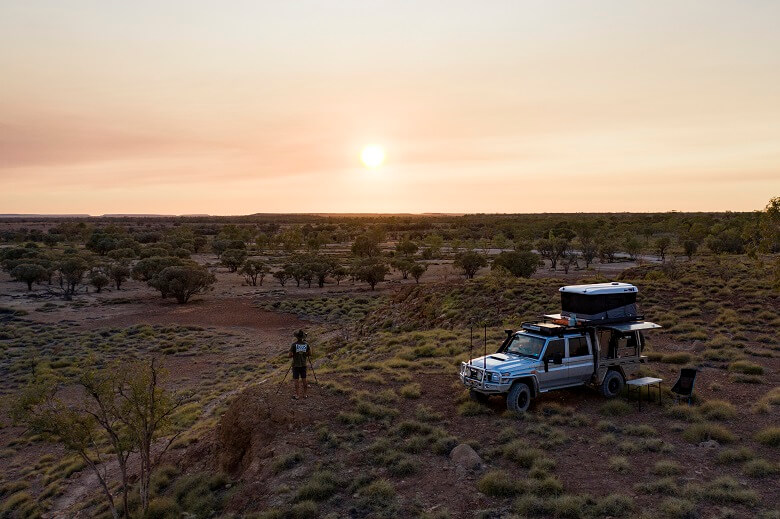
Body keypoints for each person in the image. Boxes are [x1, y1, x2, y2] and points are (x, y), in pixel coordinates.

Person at [289, 329, 311, 399]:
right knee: (304, 379)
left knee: (296, 380)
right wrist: (304, 353)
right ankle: (305, 394)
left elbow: (289, 355)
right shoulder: (306, 344)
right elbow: (310, 354)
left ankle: (297, 395)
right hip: (303, 364)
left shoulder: (294, 345)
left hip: (295, 365)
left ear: (296, 337)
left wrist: (295, 354)